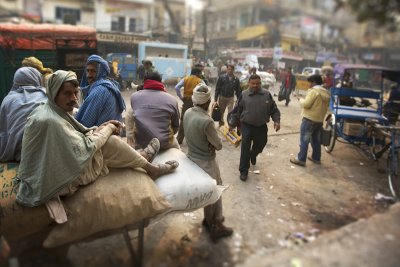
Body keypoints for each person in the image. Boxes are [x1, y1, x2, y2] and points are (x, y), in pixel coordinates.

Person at [15, 70, 179, 208]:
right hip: (53, 182)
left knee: (107, 140)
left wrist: (103, 127)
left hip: (46, 169)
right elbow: (85, 146)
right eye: (66, 93)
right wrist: (106, 128)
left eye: (75, 92)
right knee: (111, 144)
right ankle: (149, 166)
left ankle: (142, 158)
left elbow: (79, 132)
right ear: (53, 92)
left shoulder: (48, 109)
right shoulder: (51, 120)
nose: (73, 98)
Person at [183, 83, 233, 242]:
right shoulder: (207, 121)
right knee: (215, 191)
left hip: (191, 158)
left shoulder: (188, 112)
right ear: (208, 101)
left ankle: (208, 219)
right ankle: (216, 225)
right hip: (206, 162)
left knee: (207, 192)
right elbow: (218, 145)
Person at [228, 74, 281, 181]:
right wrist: (232, 124)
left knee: (262, 143)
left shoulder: (267, 95)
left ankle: (253, 154)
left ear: (260, 83)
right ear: (249, 83)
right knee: (245, 148)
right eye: (253, 83)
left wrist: (276, 121)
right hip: (246, 126)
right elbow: (236, 111)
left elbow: (274, 109)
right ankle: (243, 171)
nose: (255, 85)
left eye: (258, 83)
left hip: (261, 126)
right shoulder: (244, 95)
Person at [0, 67, 47, 162]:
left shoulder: (8, 100)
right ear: (37, 79)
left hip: (16, 153)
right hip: (44, 153)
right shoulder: (46, 96)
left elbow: (4, 130)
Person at [127, 71, 180, 150]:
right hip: (165, 143)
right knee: (178, 149)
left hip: (142, 143)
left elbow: (130, 118)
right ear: (160, 81)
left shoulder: (134, 97)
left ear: (144, 82)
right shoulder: (172, 99)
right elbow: (175, 126)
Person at [290, 74, 330, 166]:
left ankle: (301, 159)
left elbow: (306, 104)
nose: (309, 85)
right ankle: (316, 158)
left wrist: (300, 100)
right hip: (319, 120)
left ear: (314, 82)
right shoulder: (326, 93)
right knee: (316, 140)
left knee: (304, 140)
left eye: (310, 83)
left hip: (309, 119)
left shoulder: (313, 91)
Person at [75, 55, 126, 127]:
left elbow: (84, 124)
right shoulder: (110, 85)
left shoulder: (99, 90)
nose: (88, 75)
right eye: (88, 71)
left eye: (93, 71)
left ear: (101, 72)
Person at [174, 67, 204, 144]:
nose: (201, 74)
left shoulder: (185, 79)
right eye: (200, 73)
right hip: (196, 102)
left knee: (183, 119)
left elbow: (177, 87)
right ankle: (193, 140)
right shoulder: (200, 81)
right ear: (197, 73)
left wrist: (181, 97)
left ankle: (179, 139)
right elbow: (205, 90)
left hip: (186, 101)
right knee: (195, 120)